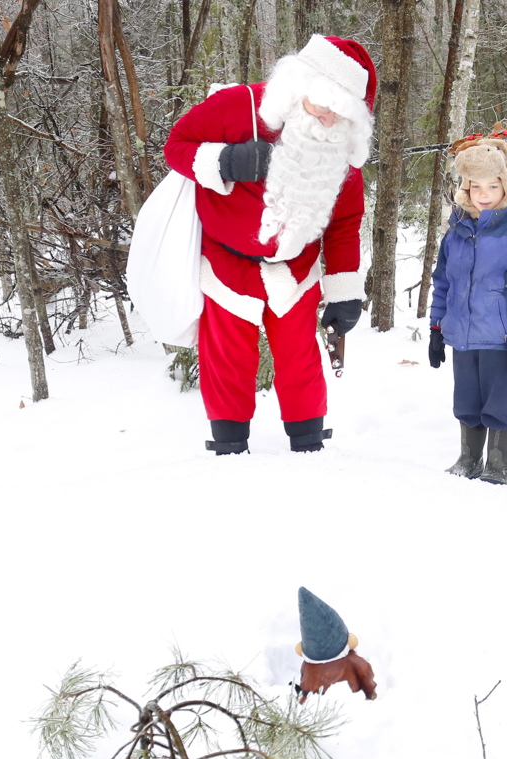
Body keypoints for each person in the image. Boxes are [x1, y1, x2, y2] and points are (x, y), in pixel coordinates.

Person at [164, 36, 376, 455]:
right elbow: (176, 147)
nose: (328, 119)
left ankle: (308, 441)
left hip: (296, 268)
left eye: (341, 112)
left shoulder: (341, 149)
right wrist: (226, 161)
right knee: (226, 357)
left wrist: (344, 291)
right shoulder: (239, 106)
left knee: (300, 357)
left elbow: (345, 224)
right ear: (299, 87)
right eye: (321, 105)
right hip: (226, 261)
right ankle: (228, 444)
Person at [428, 133, 507, 485]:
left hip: (502, 339)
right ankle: (469, 458)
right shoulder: (455, 234)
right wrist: (437, 329)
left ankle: (497, 463)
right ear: (465, 188)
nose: (483, 194)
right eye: (475, 186)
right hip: (462, 338)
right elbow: (443, 284)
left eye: (492, 186)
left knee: (500, 402)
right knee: (466, 400)